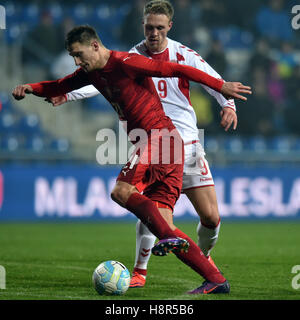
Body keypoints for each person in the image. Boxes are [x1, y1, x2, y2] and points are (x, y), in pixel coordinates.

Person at [12, 25, 251, 294]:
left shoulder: (125, 62)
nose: (77, 62)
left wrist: (221, 87)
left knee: (121, 191)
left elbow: (177, 70)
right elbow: (58, 85)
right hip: (163, 146)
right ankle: (216, 280)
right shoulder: (90, 73)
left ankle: (169, 242)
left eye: (79, 55)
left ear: (94, 45)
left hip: (160, 138)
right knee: (162, 225)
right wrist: (29, 88)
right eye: (73, 57)